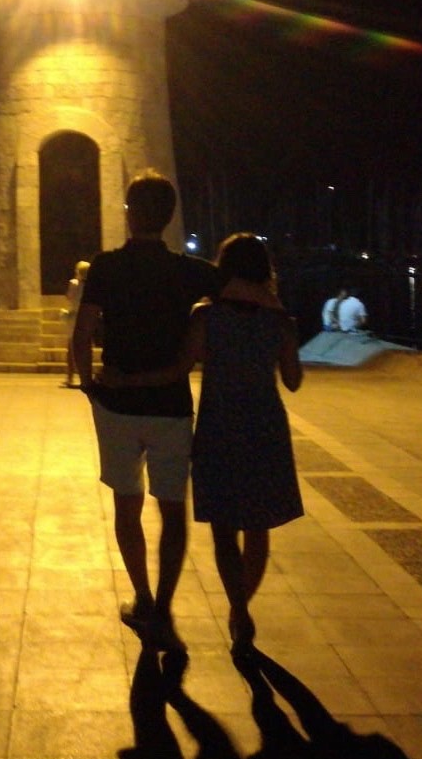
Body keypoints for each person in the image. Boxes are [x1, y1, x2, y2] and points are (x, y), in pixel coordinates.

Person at [106, 233, 303, 660]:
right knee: (258, 528)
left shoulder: (206, 317)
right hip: (266, 428)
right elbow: (292, 380)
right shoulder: (279, 322)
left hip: (220, 427)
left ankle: (239, 611)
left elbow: (177, 370)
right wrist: (282, 324)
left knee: (224, 533)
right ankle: (240, 611)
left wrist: (126, 381)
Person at [72, 169, 219, 652]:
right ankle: (164, 603)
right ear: (171, 216)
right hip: (171, 406)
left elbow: (82, 332)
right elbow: (238, 291)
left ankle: (141, 595)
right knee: (173, 509)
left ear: (129, 212)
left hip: (117, 404)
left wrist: (91, 386)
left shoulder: (106, 267)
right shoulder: (190, 271)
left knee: (126, 503)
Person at [62, 259, 89, 387]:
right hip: (86, 318)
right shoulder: (92, 285)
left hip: (74, 318)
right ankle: (86, 378)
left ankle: (70, 377)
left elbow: (69, 297)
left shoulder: (74, 283)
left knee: (71, 348)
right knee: (85, 348)